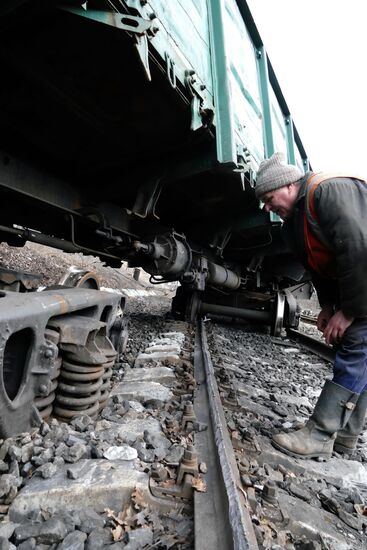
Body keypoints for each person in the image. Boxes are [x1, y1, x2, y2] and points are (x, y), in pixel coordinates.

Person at [254, 152, 367, 460]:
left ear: (289, 186)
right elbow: (318, 267)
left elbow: (357, 249)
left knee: (357, 344)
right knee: (362, 351)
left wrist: (350, 311)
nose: (267, 207)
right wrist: (329, 305)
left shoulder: (328, 192)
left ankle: (320, 434)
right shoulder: (293, 224)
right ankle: (346, 436)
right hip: (359, 282)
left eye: (269, 197)